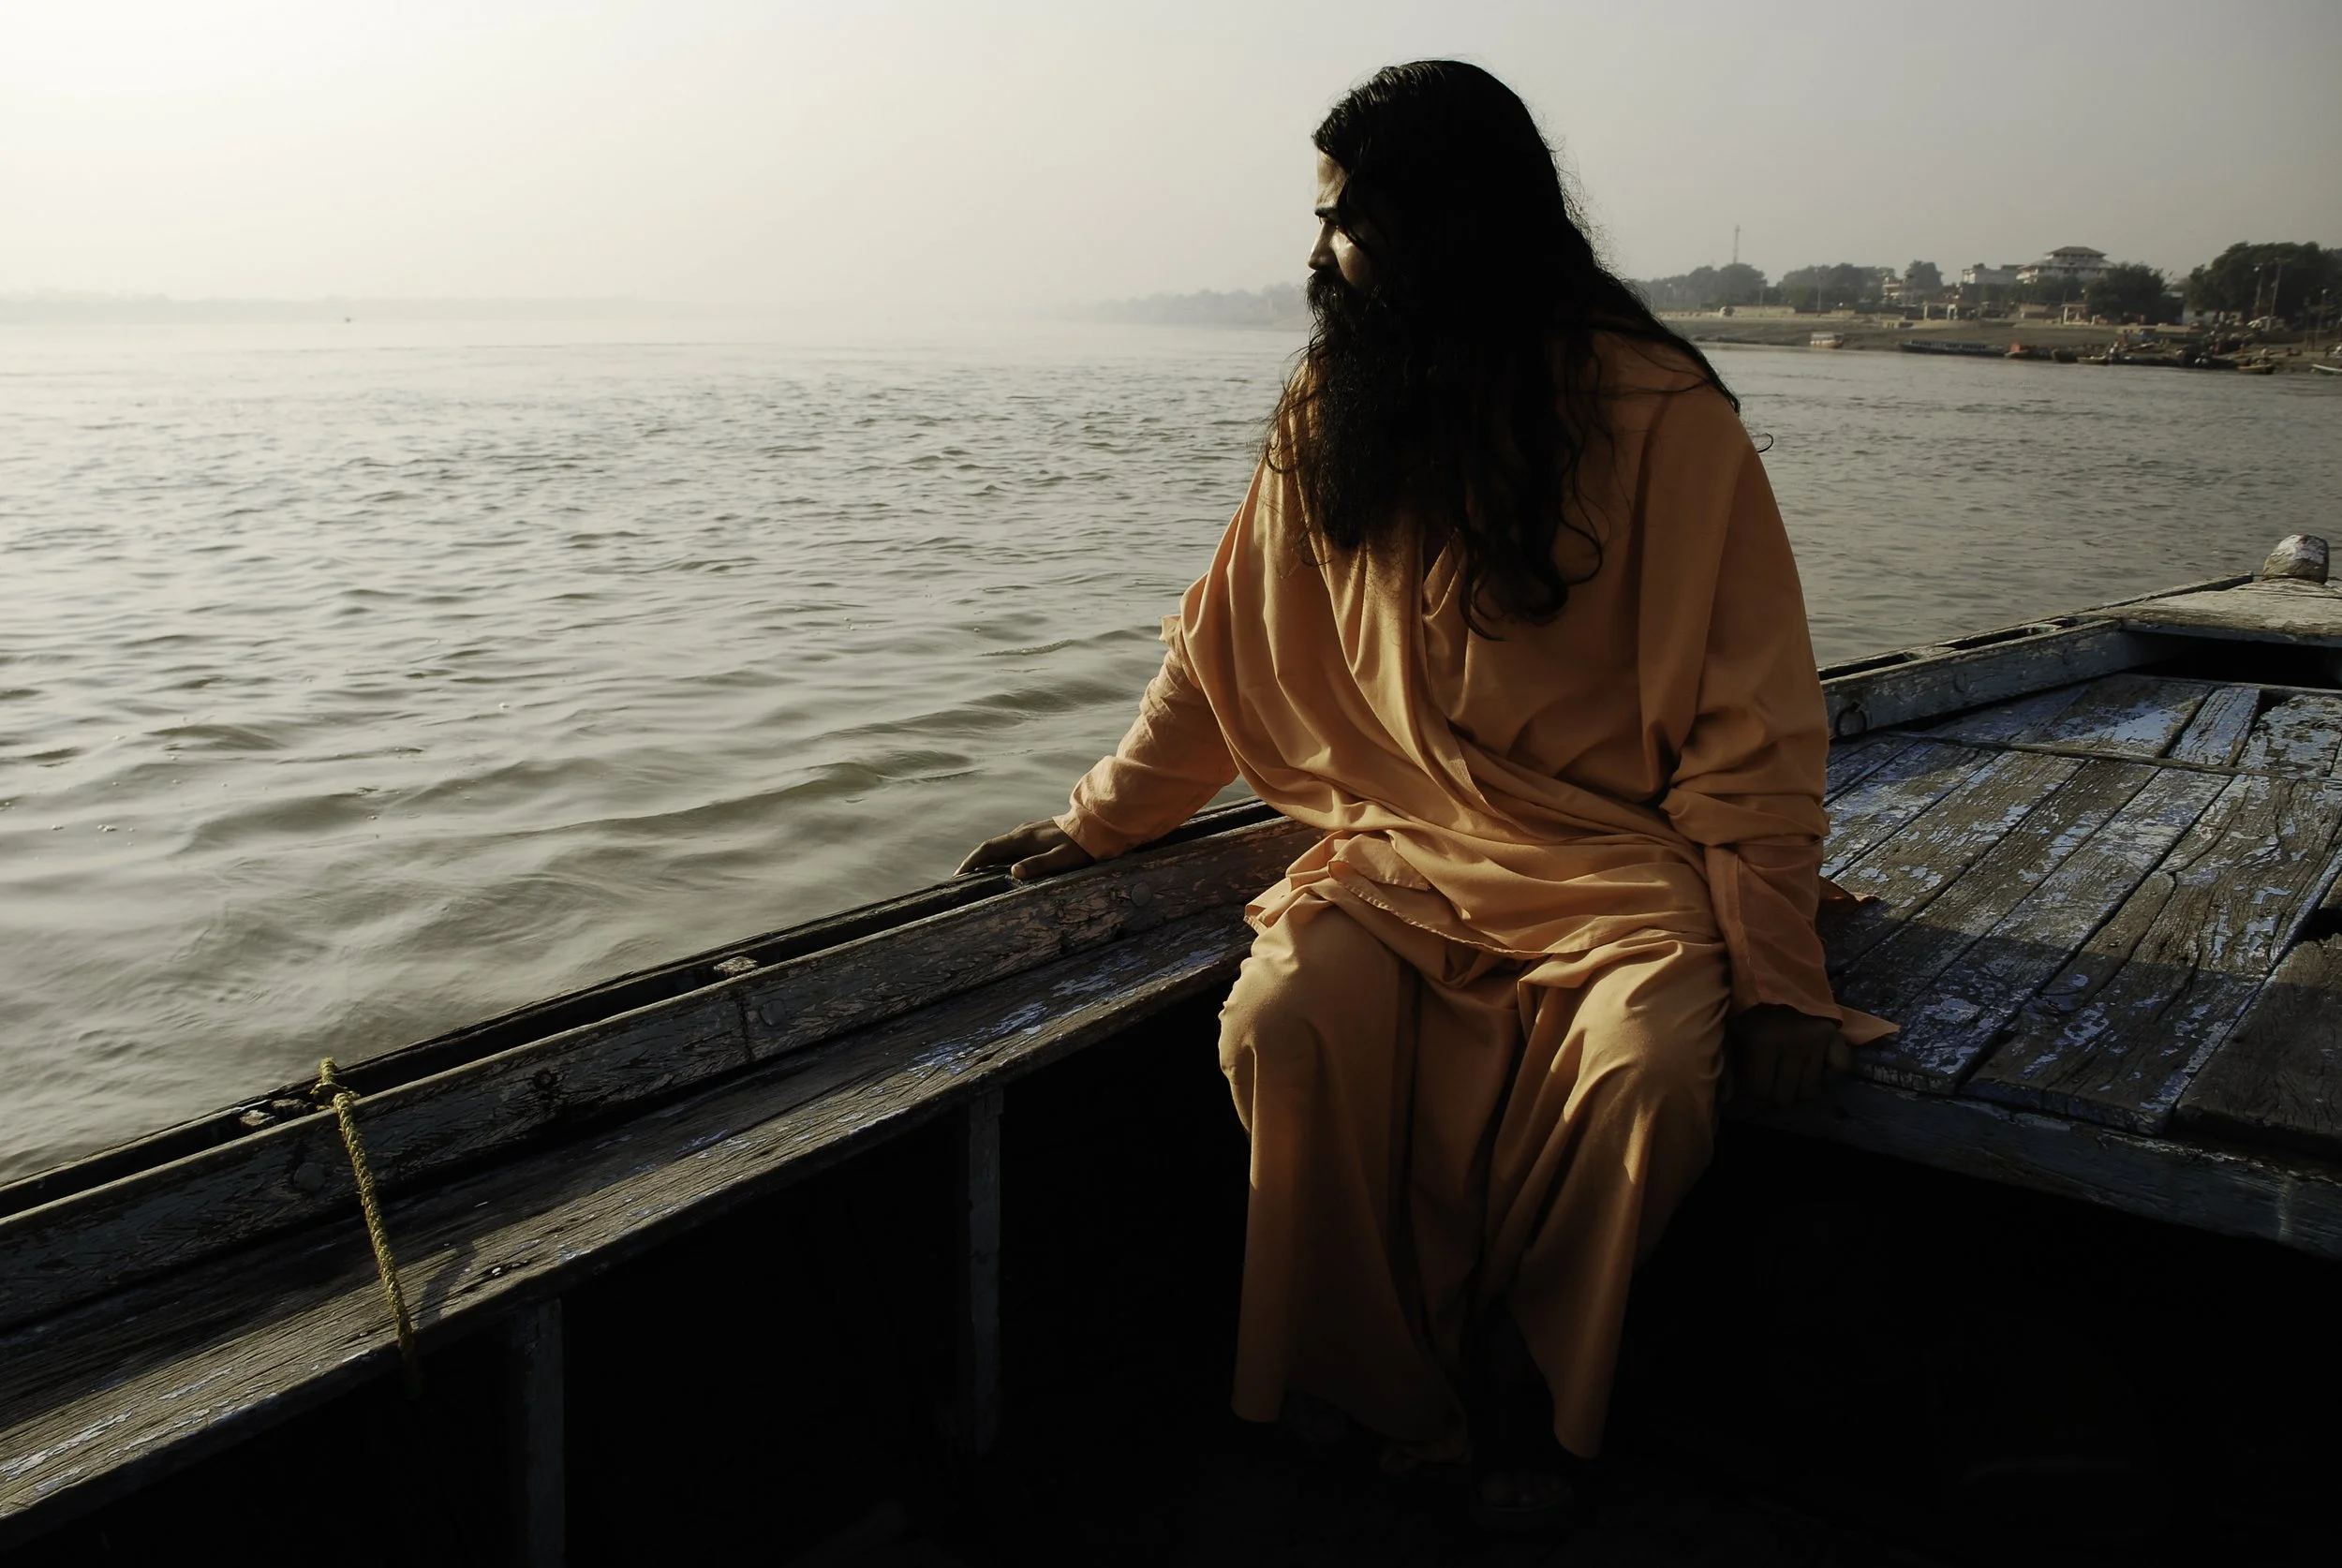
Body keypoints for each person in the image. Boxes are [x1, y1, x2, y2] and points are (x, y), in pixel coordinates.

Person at [959, 60, 1890, 1528]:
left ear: (1449, 223)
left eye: (1348, 221)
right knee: (1285, 1020)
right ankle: (1376, 1386)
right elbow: (1227, 645)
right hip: (1404, 855)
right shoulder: (1342, 400)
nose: (1324, 254)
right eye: (1325, 219)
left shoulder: (1664, 414)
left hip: (1621, 866)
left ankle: (1530, 1383)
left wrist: (1774, 979)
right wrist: (1096, 820)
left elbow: (1755, 730)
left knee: (1646, 1077)